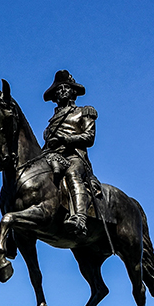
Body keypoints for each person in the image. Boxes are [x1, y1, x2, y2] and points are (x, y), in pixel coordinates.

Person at [41, 70, 100, 238]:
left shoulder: (84, 112)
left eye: (65, 88)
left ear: (73, 91)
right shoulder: (52, 121)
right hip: (52, 155)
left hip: (75, 156)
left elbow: (89, 137)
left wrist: (66, 139)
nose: (62, 91)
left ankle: (80, 218)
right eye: (58, 89)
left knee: (72, 173)